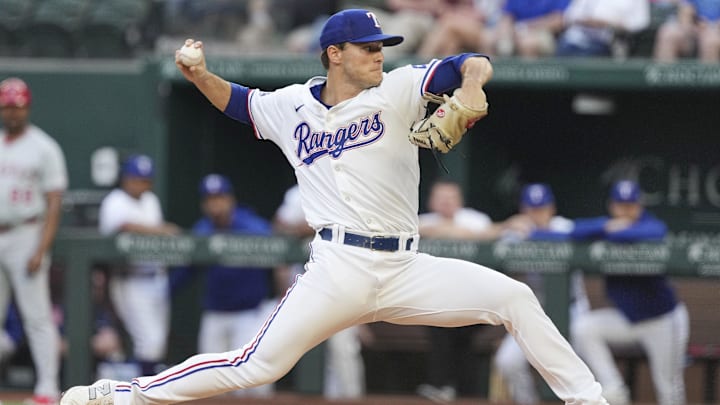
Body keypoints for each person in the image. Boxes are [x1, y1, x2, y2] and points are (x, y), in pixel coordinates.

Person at [60, 9, 609, 405]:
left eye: (381, 46)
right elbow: (239, 103)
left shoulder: (397, 89)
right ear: (334, 53)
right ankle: (125, 394)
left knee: (513, 297)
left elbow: (475, 60)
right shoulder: (291, 105)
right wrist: (199, 74)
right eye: (369, 47)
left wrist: (468, 86)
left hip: (405, 267)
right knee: (258, 364)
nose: (379, 54)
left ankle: (588, 400)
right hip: (337, 268)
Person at [569, 179, 689, 405]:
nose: (625, 211)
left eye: (630, 205)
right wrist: (606, 227)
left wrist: (614, 231)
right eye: (621, 205)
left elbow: (656, 231)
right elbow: (575, 230)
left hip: (662, 319)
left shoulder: (649, 226)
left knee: (668, 388)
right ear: (612, 206)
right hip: (629, 320)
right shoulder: (607, 226)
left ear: (639, 205)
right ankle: (615, 390)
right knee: (584, 328)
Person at [171, 173, 277, 398]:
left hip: (249, 315)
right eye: (210, 199)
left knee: (253, 385)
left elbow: (279, 258)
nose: (215, 204)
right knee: (209, 385)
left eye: (219, 197)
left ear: (230, 199)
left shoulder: (253, 227)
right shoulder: (202, 230)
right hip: (215, 315)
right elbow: (185, 272)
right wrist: (164, 292)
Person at [0, 77, 67, 405]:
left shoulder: (44, 147)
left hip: (27, 232)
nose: (12, 112)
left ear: (27, 107)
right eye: (7, 106)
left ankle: (47, 390)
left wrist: (41, 247)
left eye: (18, 106)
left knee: (37, 317)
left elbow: (54, 201)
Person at [273, 184, 372, 400]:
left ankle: (352, 398)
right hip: (307, 283)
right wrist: (311, 227)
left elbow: (346, 227)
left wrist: (311, 227)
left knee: (344, 350)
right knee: (295, 350)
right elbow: (281, 225)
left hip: (342, 284)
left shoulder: (348, 186)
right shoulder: (298, 190)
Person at [493, 183, 589, 405]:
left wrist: (532, 234)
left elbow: (568, 237)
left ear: (552, 208)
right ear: (523, 211)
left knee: (578, 359)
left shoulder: (563, 226)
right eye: (531, 210)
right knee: (507, 361)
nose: (537, 214)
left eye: (542, 209)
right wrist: (506, 227)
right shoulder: (515, 232)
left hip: (572, 309)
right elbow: (498, 247)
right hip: (534, 311)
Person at [416, 179, 503, 402]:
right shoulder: (421, 220)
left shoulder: (475, 218)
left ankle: (453, 389)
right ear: (431, 201)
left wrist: (452, 232)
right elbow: (408, 230)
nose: (446, 203)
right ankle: (446, 388)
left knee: (460, 329)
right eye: (441, 198)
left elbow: (495, 232)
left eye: (451, 198)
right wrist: (445, 230)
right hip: (435, 300)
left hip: (476, 299)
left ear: (460, 201)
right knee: (441, 323)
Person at [97, 154, 181, 377]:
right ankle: (142, 395)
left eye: (145, 180)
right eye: (136, 179)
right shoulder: (114, 201)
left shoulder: (151, 201)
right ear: (125, 179)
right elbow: (124, 226)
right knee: (149, 341)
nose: (141, 184)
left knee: (157, 343)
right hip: (128, 279)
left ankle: (143, 390)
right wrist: (161, 230)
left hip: (156, 277)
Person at [555, 0, 650, 58]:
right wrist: (587, 21)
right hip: (575, 39)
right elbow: (570, 16)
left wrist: (610, 24)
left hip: (607, 43)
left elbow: (640, 23)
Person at [492, 0, 570, 58]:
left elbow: (557, 22)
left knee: (528, 43)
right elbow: (507, 17)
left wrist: (525, 27)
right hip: (517, 31)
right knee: (495, 42)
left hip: (547, 33)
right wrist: (506, 34)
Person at [653, 0, 720, 63]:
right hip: (694, 32)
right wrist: (693, 27)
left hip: (715, 33)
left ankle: (709, 75)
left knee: (711, 41)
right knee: (668, 34)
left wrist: (712, 27)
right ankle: (663, 74)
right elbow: (685, 14)